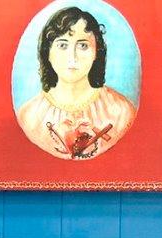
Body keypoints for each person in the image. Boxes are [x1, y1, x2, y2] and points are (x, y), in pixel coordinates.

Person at [16, 7, 136, 160]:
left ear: (96, 53)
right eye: (62, 45)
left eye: (83, 45)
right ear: (48, 53)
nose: (72, 57)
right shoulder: (30, 116)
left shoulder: (121, 111)